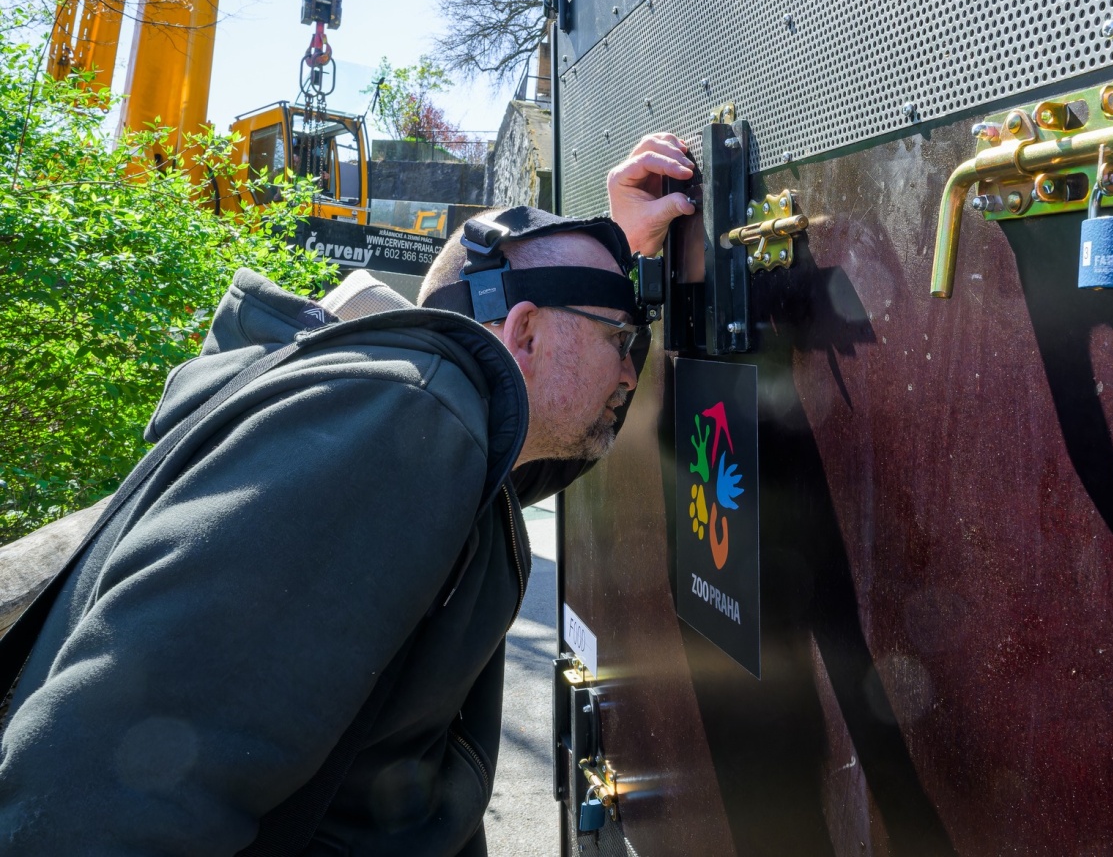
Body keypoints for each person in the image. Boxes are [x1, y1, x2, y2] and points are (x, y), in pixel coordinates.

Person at [0, 134, 696, 855]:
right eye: (623, 338)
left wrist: (616, 241)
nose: (629, 371)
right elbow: (99, 795)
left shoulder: (430, 443)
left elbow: (544, 446)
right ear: (523, 331)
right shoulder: (397, 418)